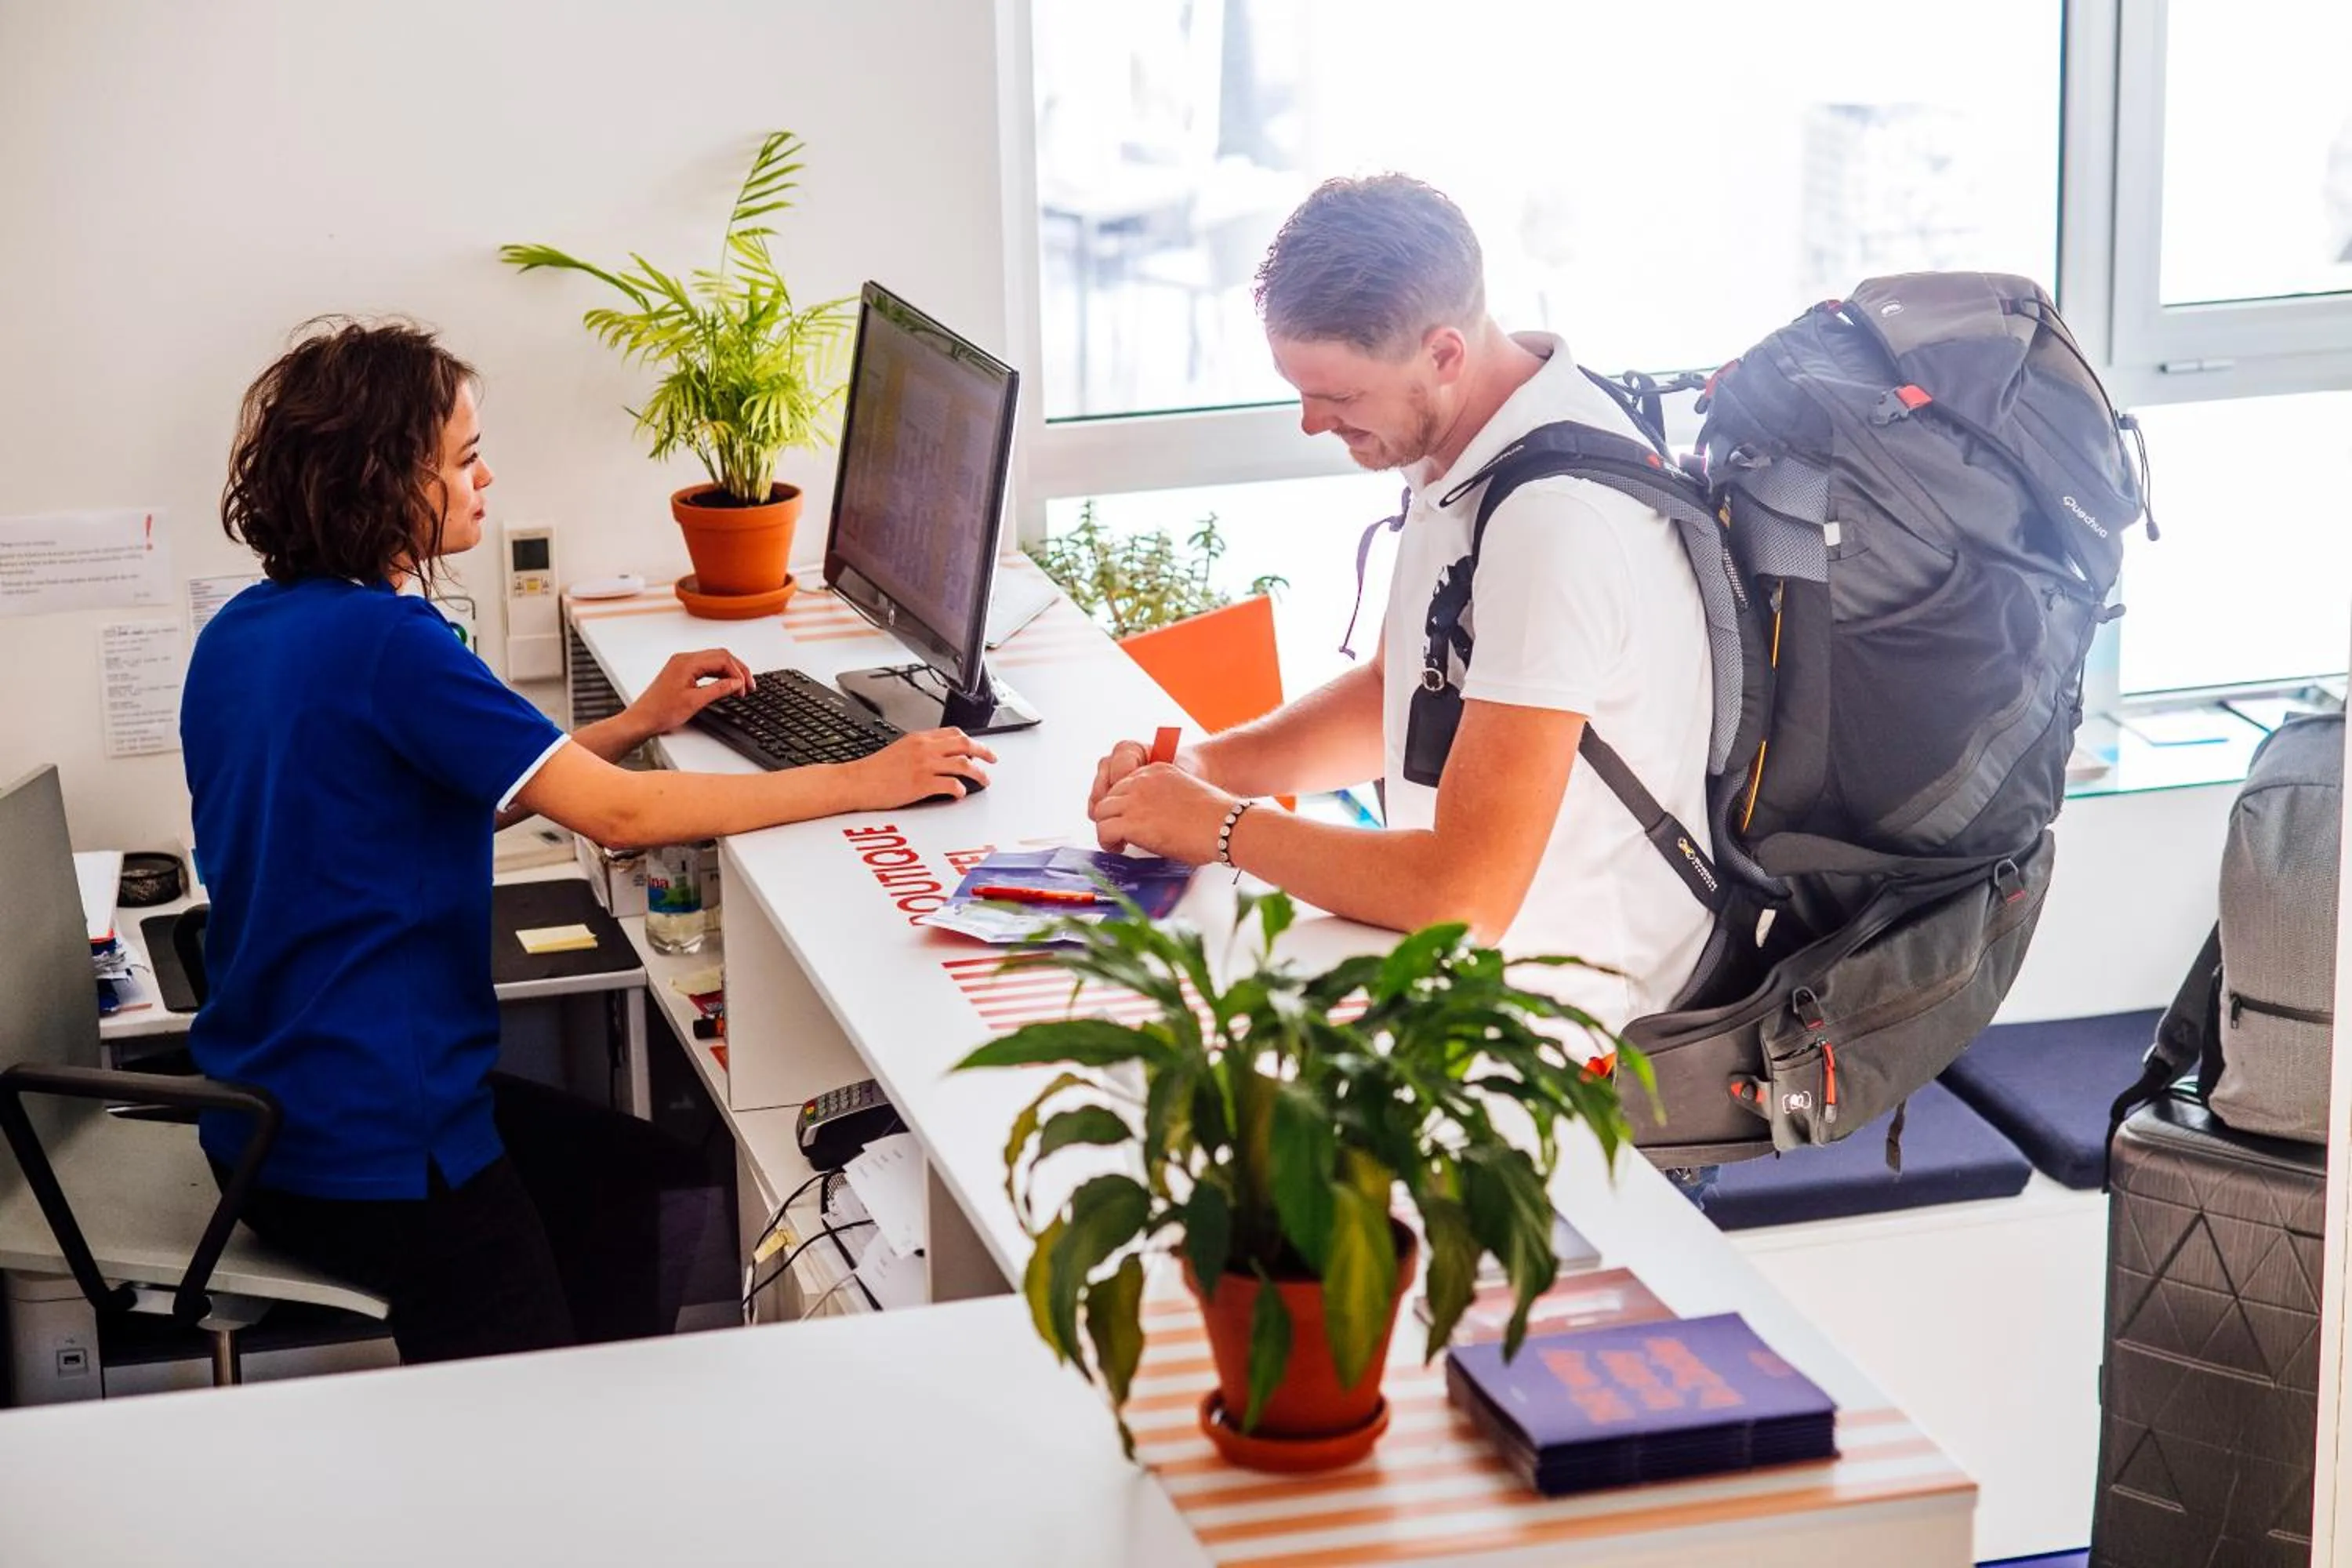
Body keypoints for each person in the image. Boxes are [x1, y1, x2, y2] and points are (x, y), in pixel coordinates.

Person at [180, 318, 993, 1363]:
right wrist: (866, 776)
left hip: (271, 1117)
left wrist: (626, 726)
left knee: (646, 1185)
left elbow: (402, 804)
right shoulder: (390, 645)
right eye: (465, 459)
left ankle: (606, 1412)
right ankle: (563, 1453)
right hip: (379, 1144)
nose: (487, 479)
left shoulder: (250, 630)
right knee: (526, 1377)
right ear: (385, 483)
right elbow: (623, 817)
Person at [1087, 175, 1713, 1033]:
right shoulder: (1464, 443)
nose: (1312, 423)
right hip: (1467, 971)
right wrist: (1208, 768)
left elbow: (1463, 895)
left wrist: (1222, 826)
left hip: (1584, 1034)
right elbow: (1402, 686)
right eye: (1300, 390)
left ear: (1445, 353)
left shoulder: (1555, 525)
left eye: (1340, 398)